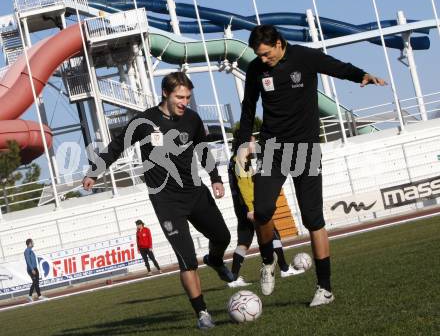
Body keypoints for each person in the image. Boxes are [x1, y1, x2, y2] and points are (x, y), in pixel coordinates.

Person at [236, 25, 387, 305]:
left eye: (267, 54)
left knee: (313, 220)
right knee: (263, 212)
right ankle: (268, 261)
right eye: (260, 56)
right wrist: (243, 143)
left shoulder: (305, 57)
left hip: (306, 149)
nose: (263, 60)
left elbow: (336, 66)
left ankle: (325, 288)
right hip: (273, 149)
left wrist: (361, 75)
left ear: (279, 44)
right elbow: (248, 108)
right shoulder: (256, 69)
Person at [83, 72, 233, 330]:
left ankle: (217, 260)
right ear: (165, 93)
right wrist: (95, 171)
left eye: (187, 97)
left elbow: (202, 150)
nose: (184, 102)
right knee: (188, 260)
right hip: (166, 200)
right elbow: (117, 146)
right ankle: (202, 314)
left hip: (195, 193)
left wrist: (216, 178)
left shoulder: (193, 119)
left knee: (223, 237)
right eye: (179, 97)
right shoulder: (143, 122)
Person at [228, 133, 303, 288]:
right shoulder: (240, 160)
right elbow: (244, 185)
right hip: (248, 206)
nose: (254, 146)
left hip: (240, 206)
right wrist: (251, 208)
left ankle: (233, 278)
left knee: (244, 241)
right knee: (273, 232)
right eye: (253, 143)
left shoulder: (235, 160)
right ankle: (284, 268)